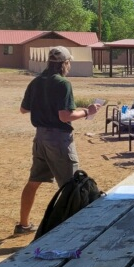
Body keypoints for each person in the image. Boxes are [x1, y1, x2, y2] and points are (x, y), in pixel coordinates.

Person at [16, 46, 101, 234]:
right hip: (58, 141)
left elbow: (24, 109)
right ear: (65, 63)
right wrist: (87, 111)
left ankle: (23, 224)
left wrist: (43, 107)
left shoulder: (36, 82)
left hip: (40, 138)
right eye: (69, 63)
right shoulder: (63, 83)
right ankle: (72, 231)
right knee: (73, 186)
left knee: (34, 181)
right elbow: (64, 116)